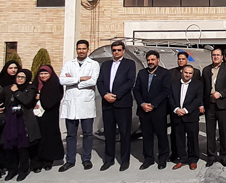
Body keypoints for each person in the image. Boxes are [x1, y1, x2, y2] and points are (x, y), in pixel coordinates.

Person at [59, 40, 100, 172]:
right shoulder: (68, 64)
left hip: (86, 103)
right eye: (79, 49)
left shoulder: (94, 64)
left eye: (83, 49)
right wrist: (80, 79)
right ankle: (70, 160)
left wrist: (72, 80)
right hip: (71, 104)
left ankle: (86, 159)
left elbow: (93, 81)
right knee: (71, 134)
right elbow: (62, 80)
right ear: (76, 50)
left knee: (87, 133)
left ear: (88, 49)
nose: (81, 51)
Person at [96, 41, 136, 171]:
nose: (116, 52)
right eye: (114, 50)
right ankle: (109, 159)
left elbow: (130, 82)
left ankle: (124, 160)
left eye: (119, 50)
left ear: (123, 51)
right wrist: (105, 95)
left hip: (122, 103)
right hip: (107, 103)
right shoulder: (106, 65)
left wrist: (116, 95)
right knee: (109, 132)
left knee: (124, 133)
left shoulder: (130, 64)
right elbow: (100, 81)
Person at [133, 50, 172, 170]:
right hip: (144, 110)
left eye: (153, 59)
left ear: (158, 60)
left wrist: (153, 104)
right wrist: (142, 104)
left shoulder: (165, 73)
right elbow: (136, 90)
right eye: (148, 60)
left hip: (158, 110)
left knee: (161, 135)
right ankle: (148, 159)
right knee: (147, 135)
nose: (150, 62)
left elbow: (165, 91)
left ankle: (162, 158)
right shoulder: (142, 73)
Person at [1, 69, 40, 181]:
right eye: (18, 77)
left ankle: (23, 170)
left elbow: (27, 101)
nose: (19, 79)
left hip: (23, 120)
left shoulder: (30, 89)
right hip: (11, 119)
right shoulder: (9, 88)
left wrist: (17, 92)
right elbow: (1, 98)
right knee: (10, 146)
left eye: (22, 77)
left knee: (23, 147)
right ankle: (12, 169)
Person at [202, 48, 226, 167]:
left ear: (222, 57)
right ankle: (211, 156)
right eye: (214, 55)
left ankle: (224, 155)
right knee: (210, 132)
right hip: (209, 105)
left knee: (223, 132)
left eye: (218, 55)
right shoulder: (206, 70)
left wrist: (220, 93)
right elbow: (203, 88)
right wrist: (202, 104)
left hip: (222, 105)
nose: (216, 57)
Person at [169, 64, 204, 170]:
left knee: (192, 139)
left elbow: (198, 99)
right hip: (177, 115)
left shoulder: (197, 84)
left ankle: (193, 159)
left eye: (190, 73)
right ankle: (182, 159)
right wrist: (176, 109)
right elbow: (170, 97)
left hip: (191, 116)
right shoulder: (174, 84)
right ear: (182, 72)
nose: (187, 75)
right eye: (186, 72)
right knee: (179, 138)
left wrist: (186, 110)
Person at [0, 60, 20, 172]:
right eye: (10, 68)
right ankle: (1, 164)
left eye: (15, 68)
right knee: (0, 140)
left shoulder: (20, 81)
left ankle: (15, 163)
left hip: (15, 115)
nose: (13, 70)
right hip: (1, 115)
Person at [32, 65, 65, 171]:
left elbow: (51, 101)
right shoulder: (35, 85)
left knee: (49, 138)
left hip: (50, 116)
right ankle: (37, 162)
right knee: (37, 138)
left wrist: (41, 97)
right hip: (36, 117)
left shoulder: (55, 85)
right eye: (41, 73)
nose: (43, 76)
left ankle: (48, 161)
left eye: (46, 73)